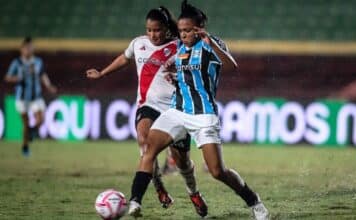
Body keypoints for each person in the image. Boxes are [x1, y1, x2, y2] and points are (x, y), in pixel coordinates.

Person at [127, 1, 269, 219]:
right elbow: (181, 69)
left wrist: (210, 41)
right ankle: (135, 202)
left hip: (203, 114)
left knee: (217, 171)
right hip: (177, 111)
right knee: (148, 149)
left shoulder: (211, 45)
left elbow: (231, 66)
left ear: (199, 28)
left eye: (187, 31)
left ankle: (254, 200)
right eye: (181, 31)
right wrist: (172, 73)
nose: (183, 35)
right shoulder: (181, 47)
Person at [85, 6, 207, 217]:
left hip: (175, 109)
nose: (153, 35)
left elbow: (196, 62)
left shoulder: (179, 45)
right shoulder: (138, 43)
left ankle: (193, 192)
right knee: (144, 142)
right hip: (147, 106)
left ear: (166, 29)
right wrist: (102, 73)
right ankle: (156, 188)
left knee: (182, 162)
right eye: (149, 30)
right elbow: (125, 58)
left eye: (157, 30)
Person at [4, 37, 57, 157]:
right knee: (26, 123)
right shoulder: (16, 63)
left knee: (41, 118)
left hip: (36, 96)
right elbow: (7, 77)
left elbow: (43, 75)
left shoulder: (38, 61)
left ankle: (32, 132)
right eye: (26, 48)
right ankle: (25, 146)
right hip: (22, 97)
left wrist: (49, 86)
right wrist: (18, 78)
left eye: (30, 48)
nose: (28, 50)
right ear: (22, 49)